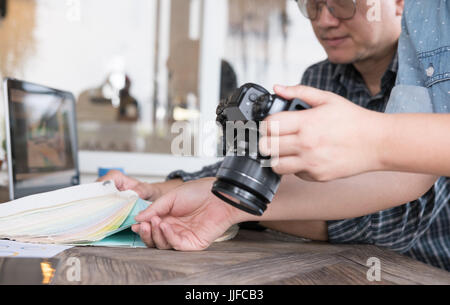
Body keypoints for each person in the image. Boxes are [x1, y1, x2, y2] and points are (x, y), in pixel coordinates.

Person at [100, 0, 450, 270]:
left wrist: (369, 139)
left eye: (343, 2)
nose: (324, 20)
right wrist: (221, 201)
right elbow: (401, 177)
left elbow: (402, 212)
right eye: (311, 6)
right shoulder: (324, 77)